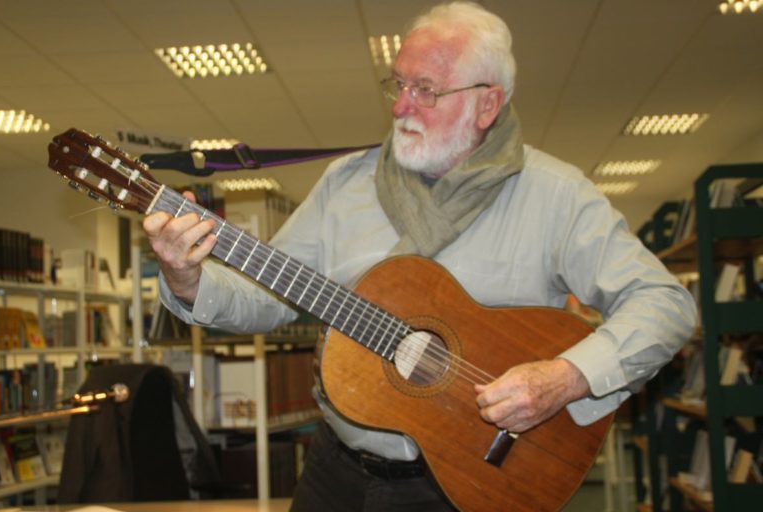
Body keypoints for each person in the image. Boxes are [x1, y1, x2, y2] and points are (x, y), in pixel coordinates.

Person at [143, 2, 697, 510]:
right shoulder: (346, 184)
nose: (402, 106)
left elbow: (665, 304)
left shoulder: (555, 194)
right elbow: (268, 299)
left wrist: (565, 377)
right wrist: (185, 276)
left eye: (427, 89)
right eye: (399, 84)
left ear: (487, 103)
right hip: (335, 472)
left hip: (471, 484)